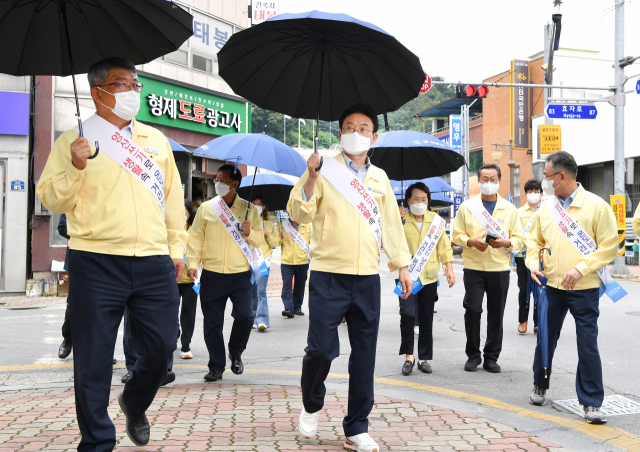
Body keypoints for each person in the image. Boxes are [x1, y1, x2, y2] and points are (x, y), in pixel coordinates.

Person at [36, 57, 187, 450]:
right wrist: (75, 165)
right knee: (94, 361)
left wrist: (177, 249)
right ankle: (98, 442)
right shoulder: (73, 140)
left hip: (154, 260)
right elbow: (51, 197)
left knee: (160, 347)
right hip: (96, 260)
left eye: (135, 84)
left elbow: (173, 201)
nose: (132, 92)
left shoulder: (155, 141)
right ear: (98, 91)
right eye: (122, 84)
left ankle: (134, 402)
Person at [288, 103, 412, 452]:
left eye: (362, 128)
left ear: (373, 137)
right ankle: (312, 403)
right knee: (321, 350)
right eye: (348, 127)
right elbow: (299, 212)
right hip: (329, 273)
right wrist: (311, 177)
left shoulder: (380, 179)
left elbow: (391, 226)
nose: (354, 133)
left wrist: (402, 265)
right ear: (339, 133)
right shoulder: (324, 168)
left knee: (364, 356)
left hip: (367, 278)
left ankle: (356, 427)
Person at [526, 151, 617, 424]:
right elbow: (533, 240)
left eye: (548, 177)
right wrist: (532, 263)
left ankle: (591, 403)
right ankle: (540, 384)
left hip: (585, 288)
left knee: (587, 344)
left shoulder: (597, 206)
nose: (544, 183)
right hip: (551, 285)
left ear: (561, 176)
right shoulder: (547, 207)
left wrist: (581, 269)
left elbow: (609, 246)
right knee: (546, 338)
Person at [186, 164, 263, 382]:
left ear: (234, 184)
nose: (217, 182)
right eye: (216, 178)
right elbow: (196, 237)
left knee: (246, 316)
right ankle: (216, 365)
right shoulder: (207, 208)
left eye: (222, 179)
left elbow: (259, 240)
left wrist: (249, 232)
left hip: (239, 275)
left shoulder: (249, 210)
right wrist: (192, 263)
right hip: (212, 273)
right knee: (212, 323)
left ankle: (235, 351)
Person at [452, 163, 523, 374]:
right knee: (472, 310)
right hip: (473, 267)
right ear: (478, 181)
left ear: (500, 181)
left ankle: (491, 357)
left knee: (496, 314)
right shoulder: (467, 207)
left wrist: (506, 243)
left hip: (499, 268)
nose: (489, 183)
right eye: (484, 179)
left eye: (493, 179)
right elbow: (456, 235)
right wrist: (471, 242)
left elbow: (520, 238)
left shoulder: (510, 209)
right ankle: (473, 355)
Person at [396, 183, 455, 376]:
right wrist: (398, 219)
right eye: (415, 199)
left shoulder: (436, 221)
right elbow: (393, 244)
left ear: (428, 201)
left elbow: (444, 247)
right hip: (407, 276)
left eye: (423, 199)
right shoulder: (402, 221)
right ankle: (408, 357)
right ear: (408, 201)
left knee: (426, 318)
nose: (420, 203)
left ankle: (423, 358)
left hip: (428, 277)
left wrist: (449, 267)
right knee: (407, 315)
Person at [250, 195, 280, 331]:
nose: (257, 206)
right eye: (254, 204)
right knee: (252, 292)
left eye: (259, 204)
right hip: (250, 261)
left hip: (264, 262)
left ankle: (262, 320)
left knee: (261, 291)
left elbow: (275, 243)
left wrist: (268, 234)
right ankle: (252, 317)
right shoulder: (247, 222)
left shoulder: (268, 223)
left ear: (263, 207)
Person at [515, 179, 542, 334]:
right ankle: (523, 321)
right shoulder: (518, 213)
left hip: (540, 256)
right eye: (531, 191)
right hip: (522, 256)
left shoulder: (546, 211)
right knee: (524, 289)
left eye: (536, 192)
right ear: (525, 194)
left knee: (539, 288)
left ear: (541, 194)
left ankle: (538, 322)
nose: (534, 194)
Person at [278, 215, 311, 318]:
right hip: (286, 261)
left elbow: (312, 243)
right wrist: (280, 237)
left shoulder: (307, 226)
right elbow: (275, 242)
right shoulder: (282, 225)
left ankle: (297, 307)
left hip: (302, 261)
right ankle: (288, 308)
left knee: (300, 285)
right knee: (287, 284)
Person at [179, 199, 199, 358]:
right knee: (169, 312)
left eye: (183, 210)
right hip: (172, 277)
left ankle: (185, 346)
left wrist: (190, 255)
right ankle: (174, 334)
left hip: (191, 278)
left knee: (188, 312)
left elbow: (202, 249)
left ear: (189, 212)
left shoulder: (195, 229)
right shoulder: (171, 229)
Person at [57, 214, 72, 359]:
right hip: (79, 258)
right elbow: (62, 227)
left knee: (102, 308)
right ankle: (68, 339)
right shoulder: (74, 195)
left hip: (105, 259)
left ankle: (100, 350)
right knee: (73, 305)